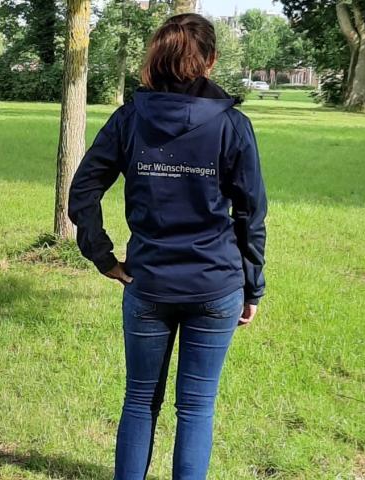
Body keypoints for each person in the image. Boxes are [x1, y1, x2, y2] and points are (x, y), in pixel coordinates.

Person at [68, 13, 267, 480]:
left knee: (139, 400)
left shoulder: (129, 120)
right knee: (196, 407)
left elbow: (83, 190)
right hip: (215, 286)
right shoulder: (232, 125)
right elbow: (251, 212)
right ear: (211, 60)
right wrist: (252, 286)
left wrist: (102, 256)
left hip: (149, 283)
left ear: (154, 58)